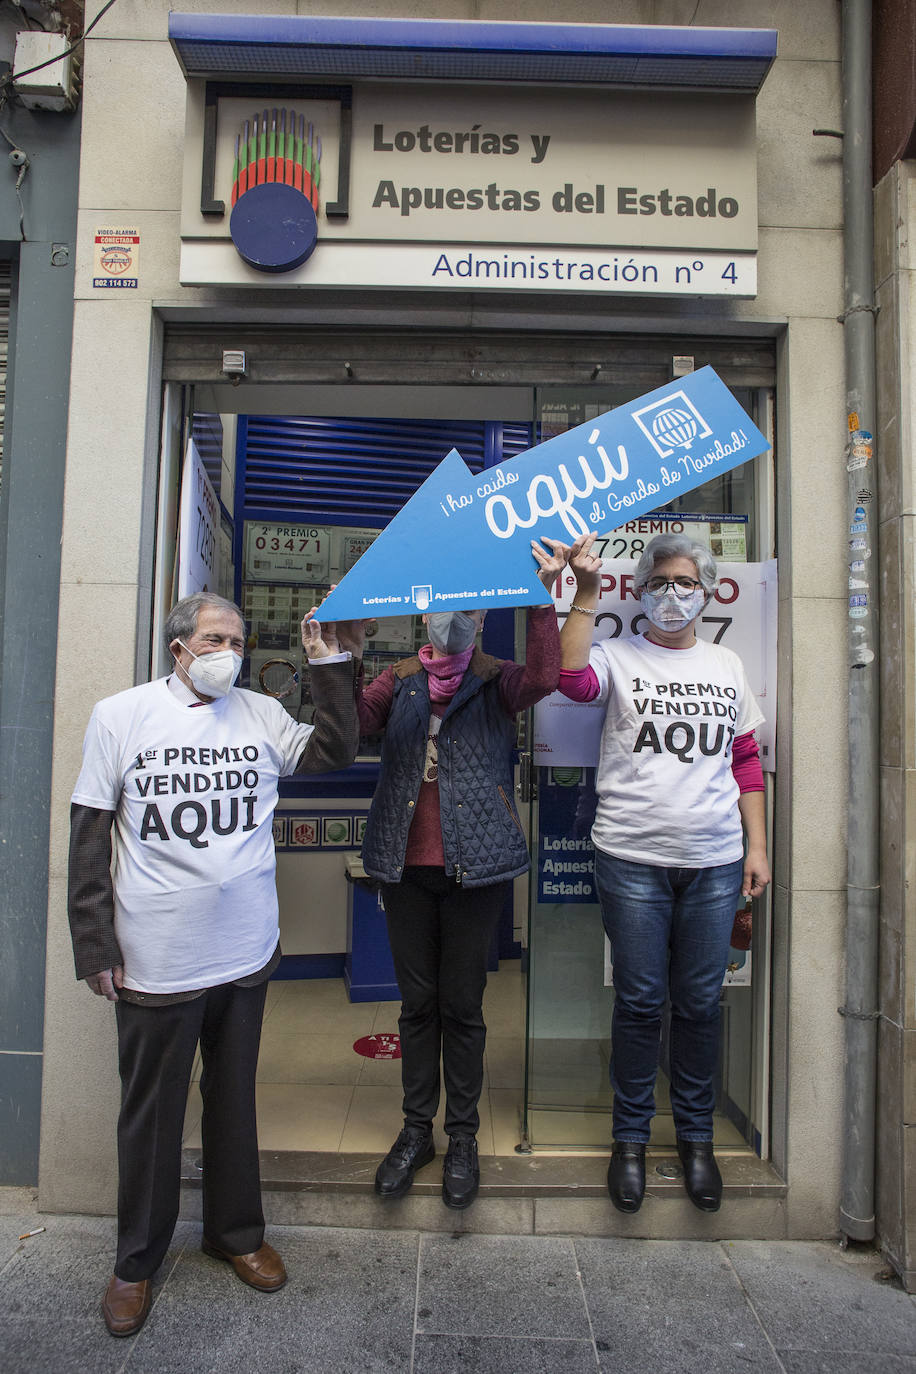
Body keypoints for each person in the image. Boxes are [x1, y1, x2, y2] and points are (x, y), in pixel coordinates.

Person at [68, 591, 360, 1337]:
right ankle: (136, 1261)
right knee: (153, 1116)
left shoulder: (261, 714)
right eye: (214, 638)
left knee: (233, 1101)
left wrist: (328, 662)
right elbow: (90, 838)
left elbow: (332, 753)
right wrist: (95, 945)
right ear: (179, 649)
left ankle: (235, 1233)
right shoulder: (120, 715)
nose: (229, 649)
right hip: (156, 961)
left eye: (238, 637)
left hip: (245, 953)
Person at [557, 532, 770, 1214]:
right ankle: (630, 1142)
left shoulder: (727, 665)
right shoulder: (619, 656)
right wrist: (586, 593)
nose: (673, 595)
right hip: (631, 858)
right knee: (642, 1003)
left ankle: (697, 1142)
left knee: (701, 1006)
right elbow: (570, 682)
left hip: (714, 861)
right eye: (661, 582)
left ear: (707, 591)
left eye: (686, 582)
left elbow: (744, 761)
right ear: (642, 590)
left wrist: (757, 846)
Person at [355, 539, 567, 1209]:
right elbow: (352, 730)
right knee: (417, 1006)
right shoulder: (397, 683)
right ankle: (417, 1132)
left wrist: (541, 597)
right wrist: (339, 656)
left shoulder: (497, 679)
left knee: (463, 1006)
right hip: (405, 869)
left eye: (468, 610)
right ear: (423, 619)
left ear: (481, 619)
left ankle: (464, 1137)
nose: (453, 619)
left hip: (475, 870)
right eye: (442, 610)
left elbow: (544, 679)